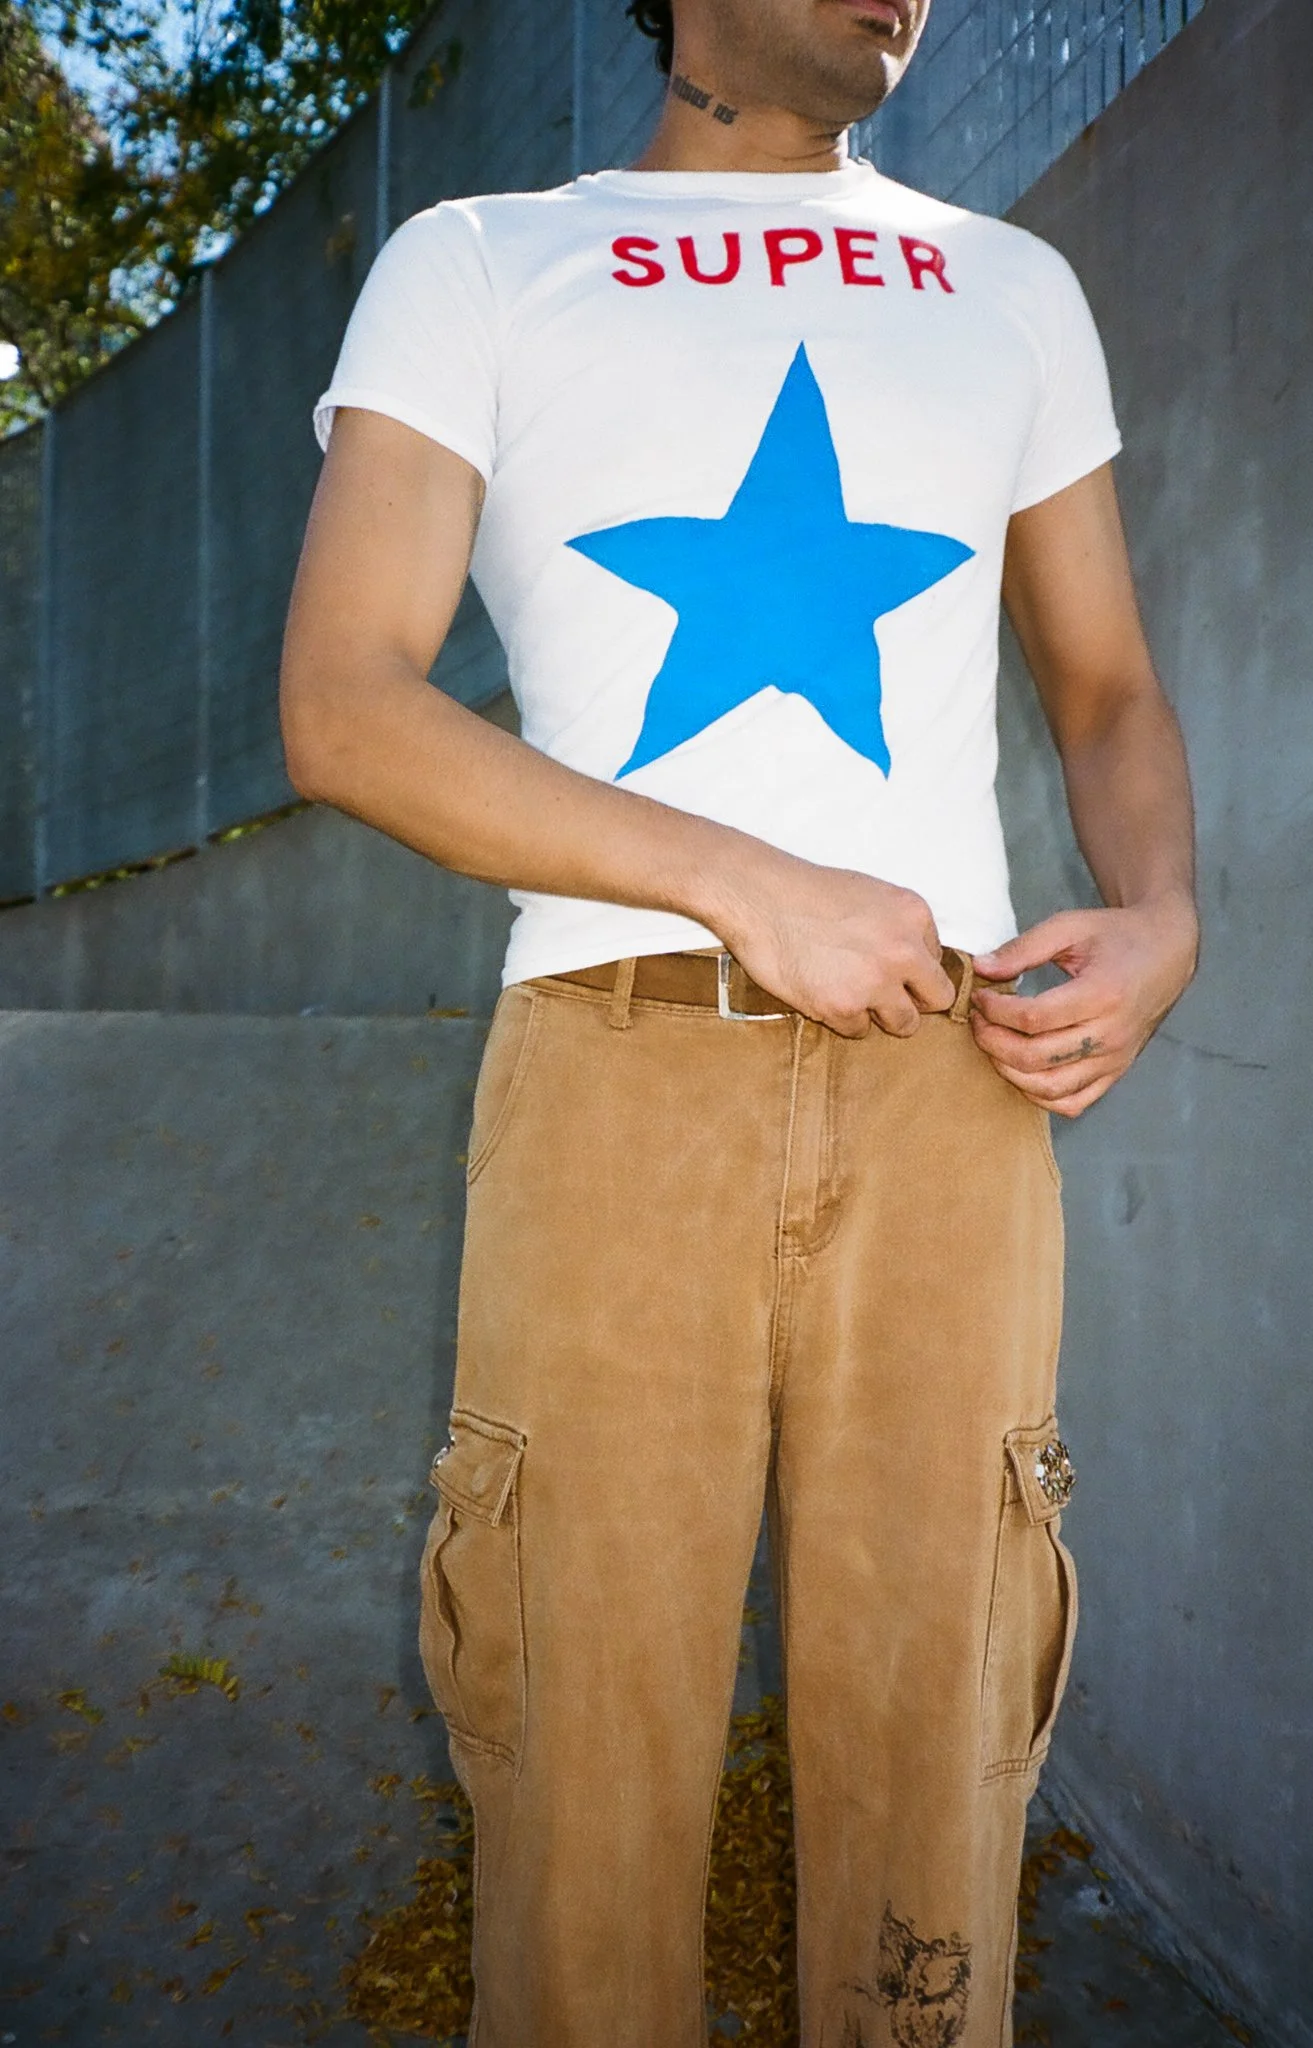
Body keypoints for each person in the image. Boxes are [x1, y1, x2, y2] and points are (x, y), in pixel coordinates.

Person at [280, 0, 1198, 2039]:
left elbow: (1110, 687)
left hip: (952, 1103)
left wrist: (1164, 918)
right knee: (578, 1797)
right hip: (612, 1088)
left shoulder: (1010, 287)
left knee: (935, 1776)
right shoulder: (483, 259)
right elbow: (345, 703)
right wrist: (740, 880)